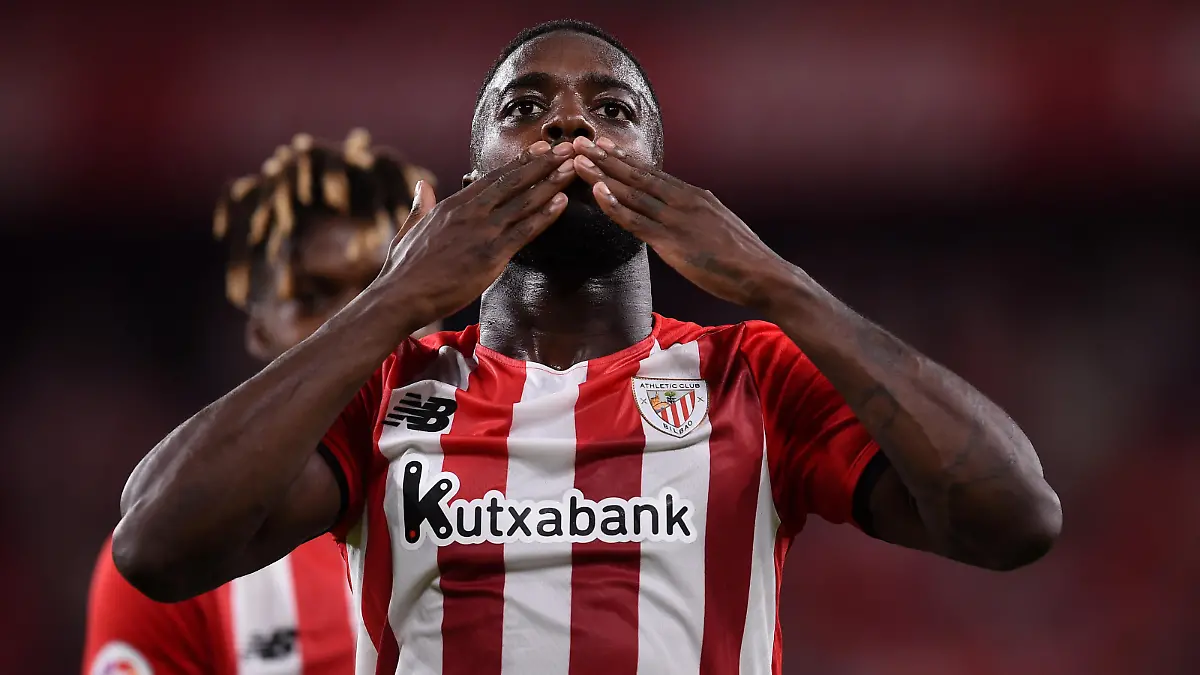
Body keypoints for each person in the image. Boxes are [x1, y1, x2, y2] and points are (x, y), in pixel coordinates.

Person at [111, 20, 1063, 675]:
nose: (569, 123)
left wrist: (778, 282)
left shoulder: (753, 377)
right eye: (524, 106)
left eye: (613, 109)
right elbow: (155, 545)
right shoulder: (392, 383)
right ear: (471, 173)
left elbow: (1016, 518)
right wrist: (393, 300)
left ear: (661, 169)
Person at [83, 129, 438, 675]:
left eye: (384, 285)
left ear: (439, 307)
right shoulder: (182, 550)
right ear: (259, 332)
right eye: (313, 297)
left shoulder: (529, 493)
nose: (359, 323)